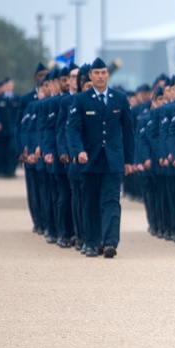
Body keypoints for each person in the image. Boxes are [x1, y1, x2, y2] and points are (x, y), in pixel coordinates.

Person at [66, 58, 136, 258]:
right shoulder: (81, 100)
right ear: (90, 76)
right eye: (96, 73)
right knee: (90, 202)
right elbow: (73, 130)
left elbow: (128, 131)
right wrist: (78, 151)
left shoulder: (119, 98)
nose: (100, 76)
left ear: (108, 74)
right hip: (89, 160)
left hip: (113, 159)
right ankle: (92, 241)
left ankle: (110, 242)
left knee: (111, 200)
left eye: (104, 72)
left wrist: (129, 161)